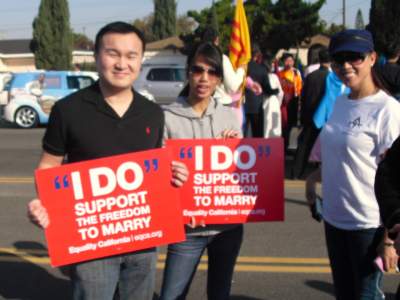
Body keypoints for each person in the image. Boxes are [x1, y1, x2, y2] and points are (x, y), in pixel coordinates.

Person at [27, 21, 188, 300]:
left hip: (143, 240)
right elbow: (48, 166)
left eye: (131, 55)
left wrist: (175, 174)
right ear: (96, 56)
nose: (122, 63)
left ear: (140, 60)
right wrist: (44, 204)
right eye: (113, 53)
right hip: (91, 243)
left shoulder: (152, 113)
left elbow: (155, 171)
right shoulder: (68, 110)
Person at [305, 29, 400, 300]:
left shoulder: (388, 110)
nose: (346, 66)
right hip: (334, 220)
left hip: (369, 226)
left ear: (372, 58)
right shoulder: (339, 102)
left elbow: (396, 177)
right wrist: (313, 181)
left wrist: (389, 239)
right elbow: (341, 157)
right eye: (338, 59)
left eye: (354, 58)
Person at [160, 42, 243, 300]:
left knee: (219, 294)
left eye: (212, 71)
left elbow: (244, 172)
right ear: (188, 72)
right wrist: (168, 170)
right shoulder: (166, 117)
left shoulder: (230, 116)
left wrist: (235, 151)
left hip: (227, 228)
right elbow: (156, 174)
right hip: (187, 229)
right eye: (198, 70)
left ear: (219, 78)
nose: (204, 78)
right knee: (172, 295)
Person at [291, 48, 330, 179]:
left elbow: (303, 96)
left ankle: (296, 173)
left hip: (309, 115)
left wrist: (301, 118)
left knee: (304, 145)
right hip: (324, 117)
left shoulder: (310, 76)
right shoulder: (332, 78)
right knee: (327, 147)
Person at [244, 44, 277, 137]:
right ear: (257, 54)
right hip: (257, 106)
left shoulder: (242, 67)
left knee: (241, 134)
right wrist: (276, 90)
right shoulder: (261, 69)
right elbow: (267, 89)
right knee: (257, 134)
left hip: (242, 105)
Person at [277, 52, 303, 150]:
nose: (289, 63)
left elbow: (299, 87)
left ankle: (287, 144)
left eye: (291, 60)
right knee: (284, 123)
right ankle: (283, 144)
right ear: (283, 62)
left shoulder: (296, 72)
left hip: (293, 101)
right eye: (287, 60)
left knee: (291, 123)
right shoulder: (279, 73)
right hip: (283, 102)